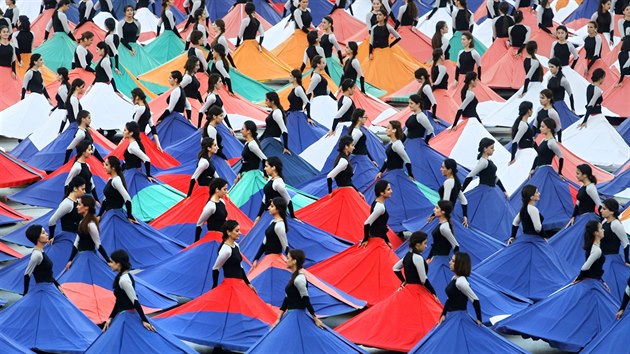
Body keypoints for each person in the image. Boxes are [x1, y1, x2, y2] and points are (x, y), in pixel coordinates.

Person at [104, 249, 156, 332]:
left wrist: (144, 320)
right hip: (123, 314)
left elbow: (135, 300)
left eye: (111, 262)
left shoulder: (124, 280)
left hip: (128, 315)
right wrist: (110, 317)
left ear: (118, 264)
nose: (109, 264)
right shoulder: (123, 277)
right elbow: (119, 300)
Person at [272, 249, 325, 328]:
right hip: (291, 314)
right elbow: (287, 298)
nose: (286, 261)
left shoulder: (299, 279)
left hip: (297, 315)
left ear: (294, 261)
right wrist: (278, 318)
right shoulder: (293, 277)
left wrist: (315, 319)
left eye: (288, 258)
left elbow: (306, 299)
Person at [65, 195, 110, 269]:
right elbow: (76, 243)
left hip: (89, 257)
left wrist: (108, 261)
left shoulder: (91, 224)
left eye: (79, 205)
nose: (77, 207)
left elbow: (98, 244)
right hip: (80, 256)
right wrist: (70, 260)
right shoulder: (81, 222)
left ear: (86, 207)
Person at [438, 252, 482, 325]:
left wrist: (479, 320)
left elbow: (475, 300)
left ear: (460, 264)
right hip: (451, 315)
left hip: (459, 318)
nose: (450, 262)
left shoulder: (461, 282)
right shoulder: (454, 278)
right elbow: (449, 298)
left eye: (453, 261)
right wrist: (443, 314)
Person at [211, 220, 256, 291]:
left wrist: (248, 283)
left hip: (239, 283)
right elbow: (216, 268)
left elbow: (240, 267)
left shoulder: (236, 246)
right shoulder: (226, 249)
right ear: (229, 232)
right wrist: (215, 287)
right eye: (237, 231)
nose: (240, 233)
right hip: (230, 285)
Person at [394, 231, 437, 296]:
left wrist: (404, 281)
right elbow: (423, 280)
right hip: (417, 291)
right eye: (424, 243)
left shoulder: (407, 255)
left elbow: (395, 268)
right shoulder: (418, 257)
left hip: (407, 289)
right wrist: (433, 292)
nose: (426, 246)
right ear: (417, 244)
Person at [23, 225, 62, 295]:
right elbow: (27, 274)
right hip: (44, 290)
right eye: (43, 233)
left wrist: (58, 285)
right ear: (37, 237)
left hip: (50, 287)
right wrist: (25, 294)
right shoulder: (37, 254)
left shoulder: (41, 252)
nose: (47, 234)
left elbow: (47, 274)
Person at [255, 157, 295, 223]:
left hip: (276, 215)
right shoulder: (271, 180)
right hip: (269, 214)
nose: (264, 169)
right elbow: (265, 198)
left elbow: (288, 200)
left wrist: (293, 216)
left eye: (266, 166)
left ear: (273, 167)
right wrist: (259, 215)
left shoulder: (277, 183)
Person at [253, 197, 290, 267]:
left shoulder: (279, 225)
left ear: (278, 209)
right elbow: (265, 242)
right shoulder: (272, 222)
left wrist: (289, 260)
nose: (269, 208)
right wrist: (256, 258)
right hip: (268, 258)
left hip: (274, 259)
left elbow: (285, 246)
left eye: (272, 206)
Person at [48, 176, 86, 241]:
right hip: (69, 238)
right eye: (82, 189)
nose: (84, 191)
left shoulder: (77, 201)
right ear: (75, 188)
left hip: (77, 236)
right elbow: (52, 221)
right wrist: (51, 237)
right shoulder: (67, 204)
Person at [98, 156, 134, 222]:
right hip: (110, 213)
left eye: (106, 165)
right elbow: (105, 199)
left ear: (113, 167)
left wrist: (130, 216)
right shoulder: (111, 179)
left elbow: (127, 198)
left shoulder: (116, 181)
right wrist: (99, 215)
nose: (104, 167)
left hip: (115, 215)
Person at [361, 179, 392, 248]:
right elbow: (367, 223)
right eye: (388, 189)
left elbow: (379, 225)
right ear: (382, 193)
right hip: (377, 240)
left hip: (379, 238)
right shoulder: (380, 207)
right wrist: (365, 239)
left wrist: (387, 241)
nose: (391, 191)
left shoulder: (377, 203)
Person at [437, 159, 468, 226]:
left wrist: (433, 215)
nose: (441, 169)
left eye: (443, 167)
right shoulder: (456, 182)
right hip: (451, 214)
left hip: (444, 215)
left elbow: (445, 202)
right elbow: (464, 201)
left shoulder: (448, 182)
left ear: (450, 170)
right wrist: (465, 216)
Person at [235, 120, 267, 185]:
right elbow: (245, 161)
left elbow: (264, 159)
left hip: (252, 175)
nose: (241, 131)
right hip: (246, 173)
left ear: (249, 131)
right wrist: (240, 172)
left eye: (243, 129)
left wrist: (265, 175)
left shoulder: (252, 144)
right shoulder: (248, 143)